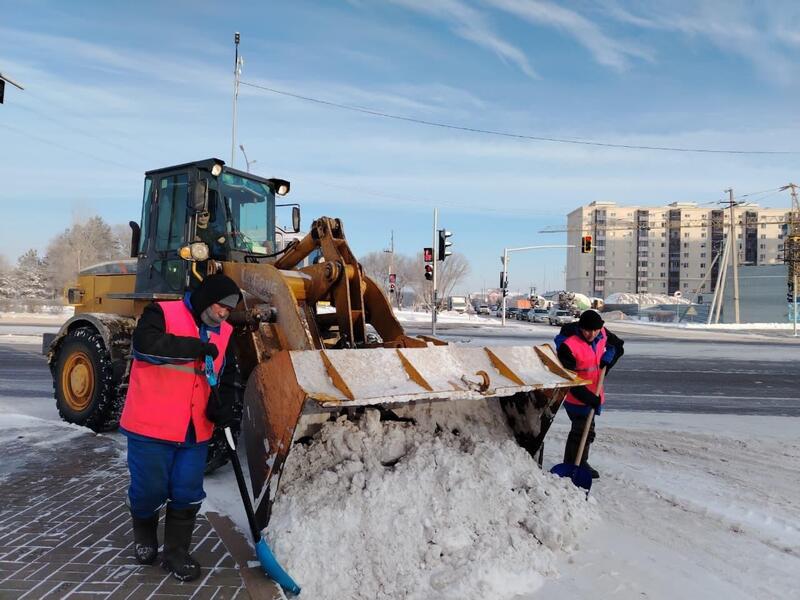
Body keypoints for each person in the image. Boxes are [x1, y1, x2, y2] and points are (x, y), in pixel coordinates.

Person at [119, 273, 242, 581]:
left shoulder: (225, 331)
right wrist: (196, 348)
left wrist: (223, 406)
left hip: (194, 428)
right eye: (219, 307)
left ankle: (176, 552)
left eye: (228, 310)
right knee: (149, 490)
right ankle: (145, 532)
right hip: (151, 424)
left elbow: (226, 376)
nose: (222, 314)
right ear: (205, 298)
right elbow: (145, 345)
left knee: (187, 492)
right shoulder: (162, 313)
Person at [554, 309, 624, 479]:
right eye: (587, 330)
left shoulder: (602, 333)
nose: (591, 334)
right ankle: (573, 464)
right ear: (580, 327)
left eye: (595, 330)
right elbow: (569, 380)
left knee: (587, 430)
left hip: (594, 392)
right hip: (576, 396)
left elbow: (618, 345)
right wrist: (589, 398)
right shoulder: (568, 346)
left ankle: (578, 462)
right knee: (581, 430)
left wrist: (609, 358)